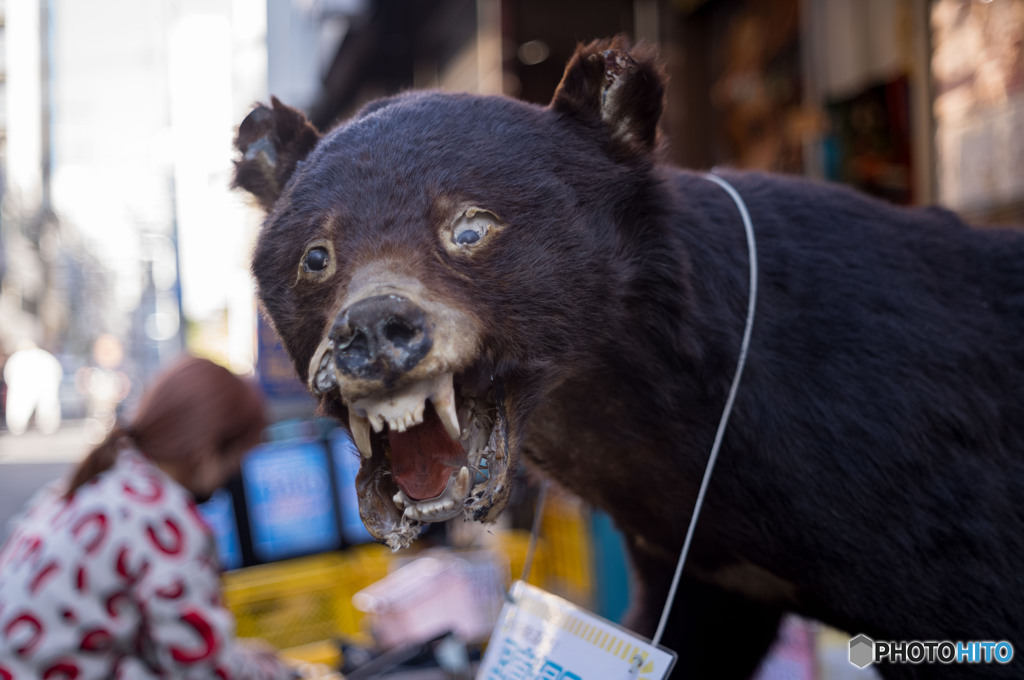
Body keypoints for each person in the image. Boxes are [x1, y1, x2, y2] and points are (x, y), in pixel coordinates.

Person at [0, 355, 298, 679]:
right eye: (235, 462)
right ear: (208, 453)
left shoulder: (109, 478)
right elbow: (205, 672)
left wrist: (243, 657)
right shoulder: (166, 522)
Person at [3, 340, 63, 435]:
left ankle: (18, 429)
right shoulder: (45, 356)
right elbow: (57, 372)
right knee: (47, 407)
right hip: (44, 386)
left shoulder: (17, 358)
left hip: (24, 388)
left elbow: (8, 374)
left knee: (20, 409)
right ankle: (48, 427)